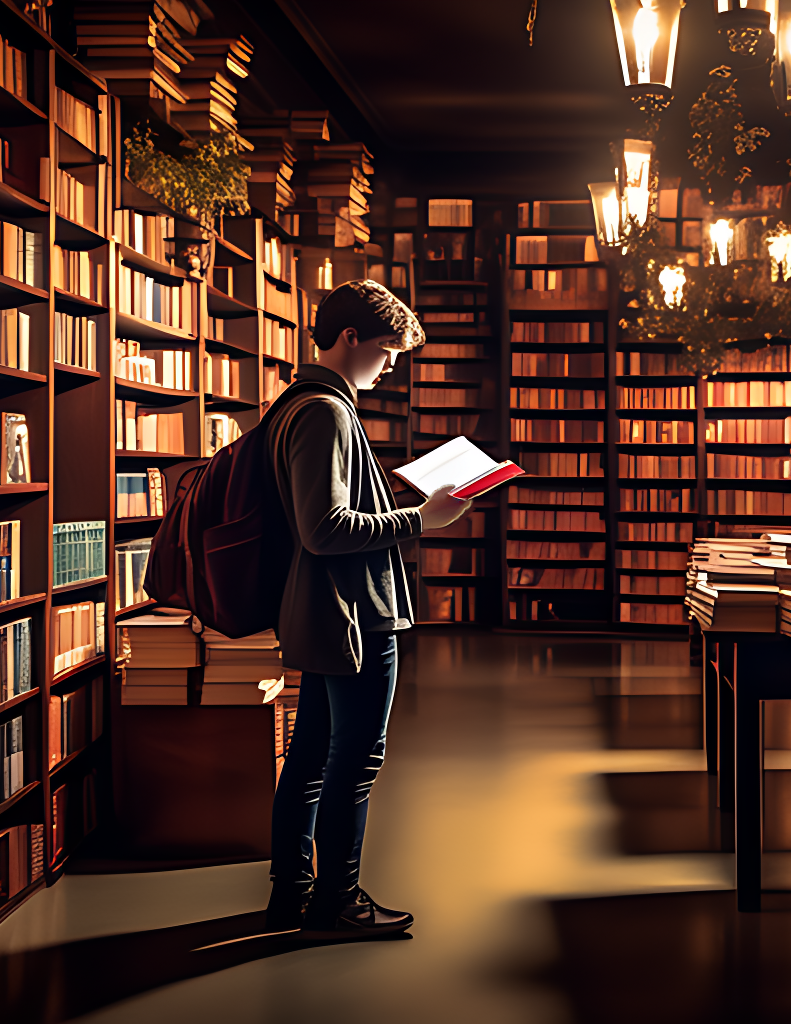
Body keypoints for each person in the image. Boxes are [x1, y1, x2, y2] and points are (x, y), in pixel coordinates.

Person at [265, 279, 472, 939]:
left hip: (324, 610)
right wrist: (422, 518)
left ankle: (292, 893)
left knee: (311, 756)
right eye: (386, 350)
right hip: (352, 615)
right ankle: (338, 903)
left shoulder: (299, 402)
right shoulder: (326, 412)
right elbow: (323, 529)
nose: (392, 364)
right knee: (355, 761)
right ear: (350, 338)